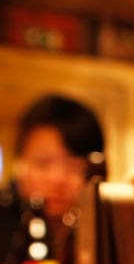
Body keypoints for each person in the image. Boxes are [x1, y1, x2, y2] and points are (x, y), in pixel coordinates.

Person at [13, 94, 106, 237]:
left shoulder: (107, 239)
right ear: (19, 164)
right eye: (42, 163)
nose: (57, 179)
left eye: (74, 166)